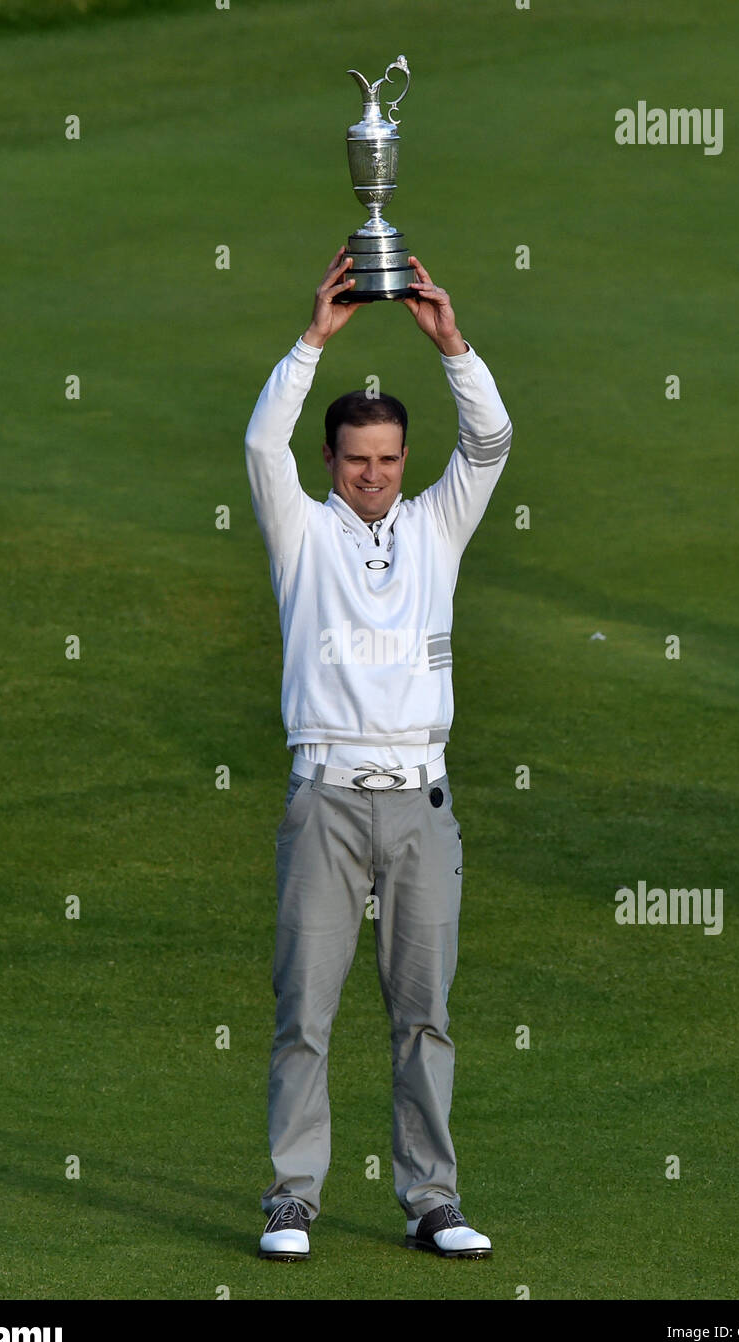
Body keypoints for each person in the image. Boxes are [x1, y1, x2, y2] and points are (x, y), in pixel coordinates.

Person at [244, 247, 513, 1261]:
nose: (374, 474)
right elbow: (260, 444)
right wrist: (315, 341)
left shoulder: (438, 527)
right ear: (332, 463)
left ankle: (431, 1199)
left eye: (390, 458)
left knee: (424, 1015)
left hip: (419, 806)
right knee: (304, 1013)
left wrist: (454, 347)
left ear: (406, 459)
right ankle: (291, 1200)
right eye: (357, 458)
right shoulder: (301, 534)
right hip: (326, 800)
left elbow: (489, 442)